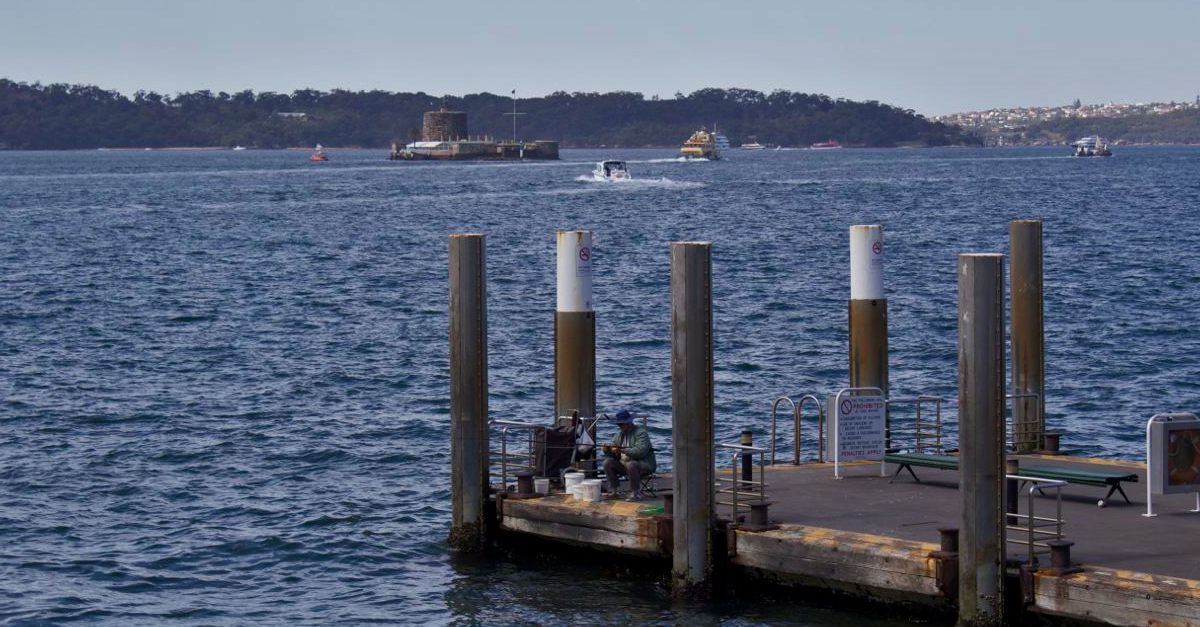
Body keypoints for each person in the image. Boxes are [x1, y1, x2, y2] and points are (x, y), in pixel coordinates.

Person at [602, 409, 657, 500]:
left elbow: (640, 452)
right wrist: (607, 450)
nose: (619, 426)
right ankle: (614, 491)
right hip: (624, 465)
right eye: (618, 424)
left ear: (628, 423)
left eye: (621, 424)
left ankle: (635, 493)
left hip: (643, 465)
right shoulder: (619, 435)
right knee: (607, 462)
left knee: (631, 464)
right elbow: (612, 454)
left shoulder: (641, 433)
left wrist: (622, 450)